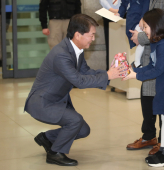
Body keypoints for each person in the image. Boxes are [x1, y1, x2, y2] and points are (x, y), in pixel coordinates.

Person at [24, 14, 126, 166]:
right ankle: (55, 153)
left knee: (83, 130)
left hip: (57, 100)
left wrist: (109, 74)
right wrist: (107, 75)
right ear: (78, 35)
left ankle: (46, 138)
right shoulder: (61, 55)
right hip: (43, 102)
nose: (93, 39)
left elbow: (85, 72)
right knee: (75, 121)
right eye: (91, 35)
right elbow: (79, 81)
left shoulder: (76, 49)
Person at [123, 8, 164, 167]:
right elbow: (151, 65)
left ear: (155, 25)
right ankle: (163, 151)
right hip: (163, 87)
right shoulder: (158, 43)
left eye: (145, 26)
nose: (143, 30)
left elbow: (158, 70)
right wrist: (135, 70)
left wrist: (135, 75)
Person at [116, 0, 150, 68]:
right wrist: (119, 13)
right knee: (139, 43)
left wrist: (143, 18)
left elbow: (146, 5)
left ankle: (137, 62)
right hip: (131, 22)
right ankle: (137, 63)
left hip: (140, 23)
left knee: (141, 43)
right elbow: (123, 4)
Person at [99, 0, 122, 70]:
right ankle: (111, 71)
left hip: (125, 14)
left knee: (124, 43)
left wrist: (123, 9)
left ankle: (125, 68)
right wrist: (112, 10)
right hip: (108, 14)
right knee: (111, 44)